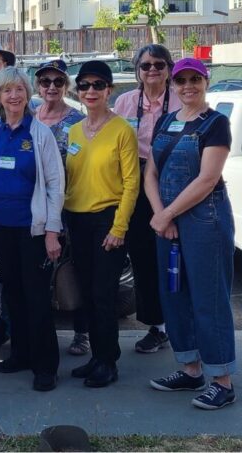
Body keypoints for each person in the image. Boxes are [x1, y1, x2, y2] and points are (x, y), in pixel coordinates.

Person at [145, 58, 237, 409]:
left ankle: (222, 381)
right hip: (166, 223)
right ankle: (190, 370)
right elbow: (151, 173)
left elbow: (207, 179)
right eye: (181, 80)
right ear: (173, 85)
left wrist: (167, 213)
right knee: (175, 295)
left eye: (194, 80)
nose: (188, 86)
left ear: (205, 82)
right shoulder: (166, 121)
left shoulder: (216, 124)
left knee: (209, 300)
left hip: (205, 221)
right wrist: (160, 216)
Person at [0, 67, 65, 392]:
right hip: (1, 229)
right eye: (6, 91)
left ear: (28, 94)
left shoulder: (40, 134)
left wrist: (53, 231)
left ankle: (46, 366)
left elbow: (56, 184)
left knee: (37, 298)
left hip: (34, 231)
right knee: (13, 295)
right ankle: (22, 354)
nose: (13, 96)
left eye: (18, 89)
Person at [64, 60, 139, 388]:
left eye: (98, 85)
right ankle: (96, 355)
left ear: (109, 90)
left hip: (107, 220)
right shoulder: (74, 131)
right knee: (88, 294)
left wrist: (119, 228)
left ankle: (108, 361)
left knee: (104, 294)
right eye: (84, 86)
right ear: (78, 91)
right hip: (77, 220)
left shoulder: (122, 129)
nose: (91, 91)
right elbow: (68, 179)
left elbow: (132, 183)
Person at [114, 44, 181, 354]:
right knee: (143, 257)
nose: (152, 70)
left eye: (158, 64)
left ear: (169, 68)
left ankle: (182, 322)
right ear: (137, 71)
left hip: (176, 180)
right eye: (145, 66)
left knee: (176, 256)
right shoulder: (126, 102)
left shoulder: (182, 99)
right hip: (136, 181)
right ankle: (158, 326)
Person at [32, 59, 90, 357]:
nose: (51, 87)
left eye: (57, 82)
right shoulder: (30, 117)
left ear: (66, 85)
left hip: (70, 206)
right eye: (45, 82)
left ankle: (82, 332)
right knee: (40, 272)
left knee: (73, 269)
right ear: (37, 85)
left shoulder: (78, 120)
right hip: (35, 207)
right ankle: (43, 334)